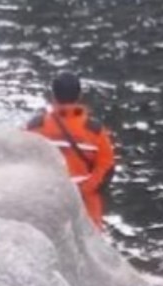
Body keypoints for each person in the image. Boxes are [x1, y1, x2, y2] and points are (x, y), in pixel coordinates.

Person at [26, 72, 116, 230]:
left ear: (53, 95)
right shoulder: (94, 130)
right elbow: (107, 167)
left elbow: (23, 161)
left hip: (47, 203)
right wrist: (84, 189)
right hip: (86, 209)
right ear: (79, 96)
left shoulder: (36, 127)